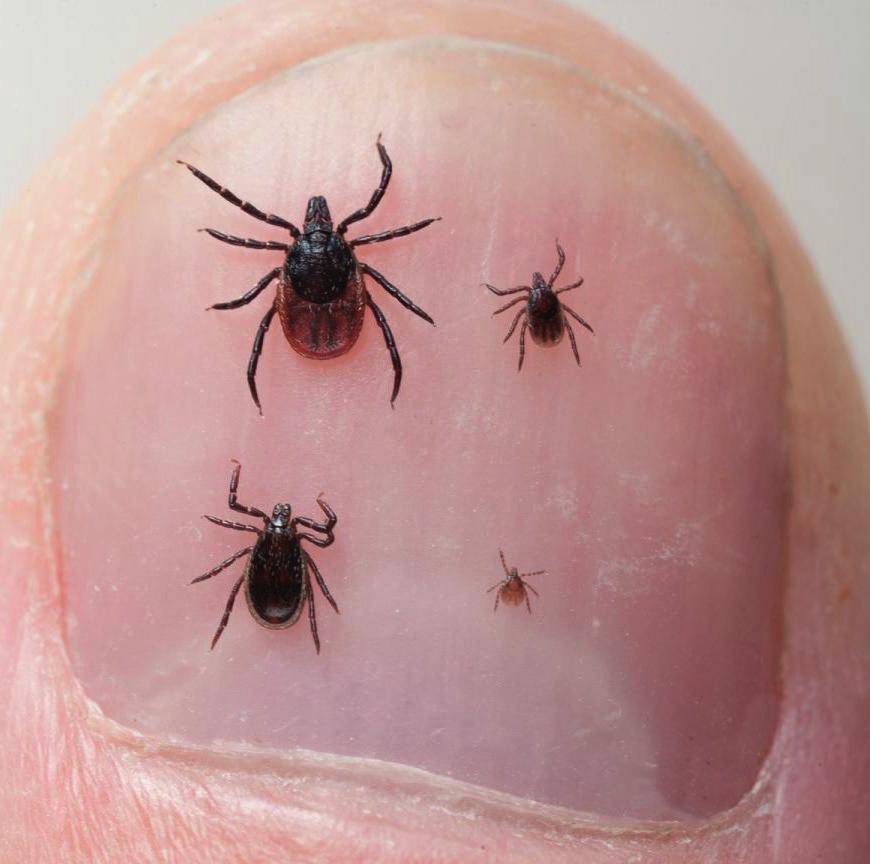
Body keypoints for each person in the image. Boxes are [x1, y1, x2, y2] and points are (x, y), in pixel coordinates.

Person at [0, 1, 867, 861]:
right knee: (367, 322)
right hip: (323, 372)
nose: (316, 236)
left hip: (306, 372)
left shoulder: (292, 271)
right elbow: (370, 266)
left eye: (320, 237)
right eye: (320, 237)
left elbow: (267, 293)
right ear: (330, 243)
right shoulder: (346, 264)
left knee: (320, 330)